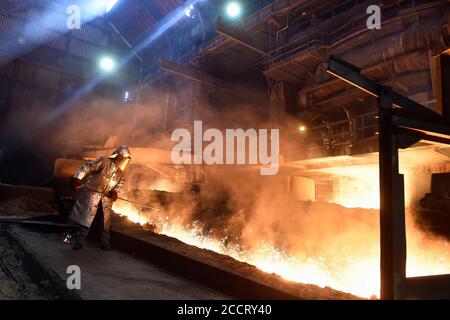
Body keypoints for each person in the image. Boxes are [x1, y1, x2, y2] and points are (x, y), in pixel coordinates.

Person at [69, 146, 131, 250]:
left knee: (105, 223)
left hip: (106, 198)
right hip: (92, 194)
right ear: (117, 156)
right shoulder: (104, 161)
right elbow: (88, 166)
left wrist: (115, 192)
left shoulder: (121, 172)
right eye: (123, 158)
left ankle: (105, 244)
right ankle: (78, 242)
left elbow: (119, 184)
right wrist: (77, 177)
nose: (124, 161)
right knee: (86, 219)